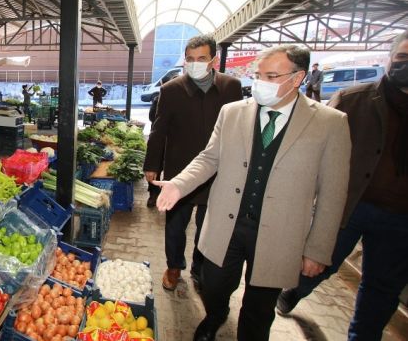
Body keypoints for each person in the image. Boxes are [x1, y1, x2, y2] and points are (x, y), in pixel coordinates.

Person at [154, 45, 351, 341]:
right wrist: (179, 184)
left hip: (279, 233)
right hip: (227, 224)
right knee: (214, 285)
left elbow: (333, 194)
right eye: (258, 75)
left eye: (271, 76)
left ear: (297, 78)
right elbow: (209, 158)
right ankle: (216, 315)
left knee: (259, 306)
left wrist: (317, 249)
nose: (260, 83)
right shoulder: (233, 113)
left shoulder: (329, 123)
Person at [275, 31, 408, 340]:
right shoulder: (354, 100)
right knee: (320, 263)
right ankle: (294, 290)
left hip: (401, 218)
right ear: (389, 59)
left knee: (382, 289)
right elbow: (315, 150)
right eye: (403, 58)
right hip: (349, 206)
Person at [144, 35, 243, 291]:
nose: (195, 64)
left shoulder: (232, 87)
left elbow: (240, 129)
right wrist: (152, 165)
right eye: (190, 59)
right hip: (180, 170)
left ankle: (200, 267)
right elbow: (159, 130)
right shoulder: (171, 89)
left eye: (201, 59)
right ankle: (174, 266)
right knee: (176, 223)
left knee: (207, 225)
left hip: (218, 171)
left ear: (214, 60)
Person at [145, 73, 174, 209]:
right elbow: (152, 117)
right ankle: (153, 195)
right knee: (155, 168)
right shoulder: (158, 99)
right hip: (159, 140)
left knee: (171, 170)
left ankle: (166, 195)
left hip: (174, 143)